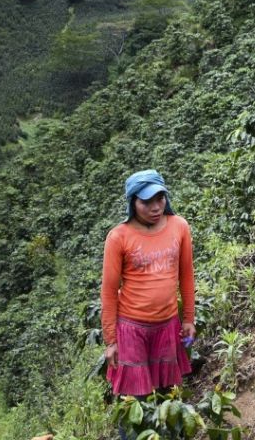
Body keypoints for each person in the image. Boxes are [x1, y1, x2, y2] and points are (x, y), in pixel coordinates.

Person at [101, 169, 195, 398]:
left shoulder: (179, 226)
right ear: (133, 202)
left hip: (168, 325)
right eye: (147, 202)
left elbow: (186, 276)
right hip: (132, 329)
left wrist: (189, 319)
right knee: (133, 401)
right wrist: (111, 341)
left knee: (168, 395)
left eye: (160, 198)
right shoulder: (118, 237)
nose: (156, 207)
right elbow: (109, 292)